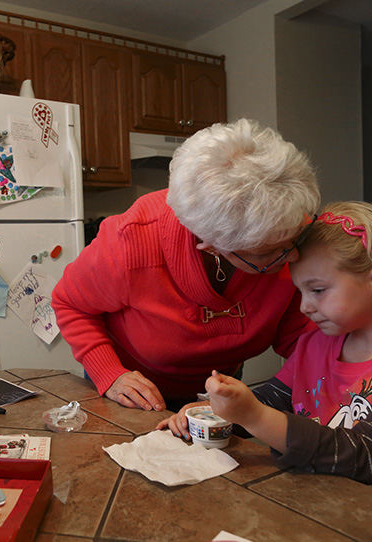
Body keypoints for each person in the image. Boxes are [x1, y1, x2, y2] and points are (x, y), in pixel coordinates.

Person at [159, 201, 372, 516]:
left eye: (318, 290)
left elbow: (371, 456)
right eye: (300, 292)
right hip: (317, 508)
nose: (305, 306)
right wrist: (214, 411)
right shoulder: (316, 344)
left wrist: (252, 416)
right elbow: (270, 401)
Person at [52, 119, 322, 411]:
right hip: (136, 395)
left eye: (296, 237)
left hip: (218, 388)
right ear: (212, 246)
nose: (294, 257)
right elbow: (70, 303)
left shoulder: (288, 237)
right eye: (272, 252)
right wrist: (109, 373)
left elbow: (302, 337)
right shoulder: (132, 240)